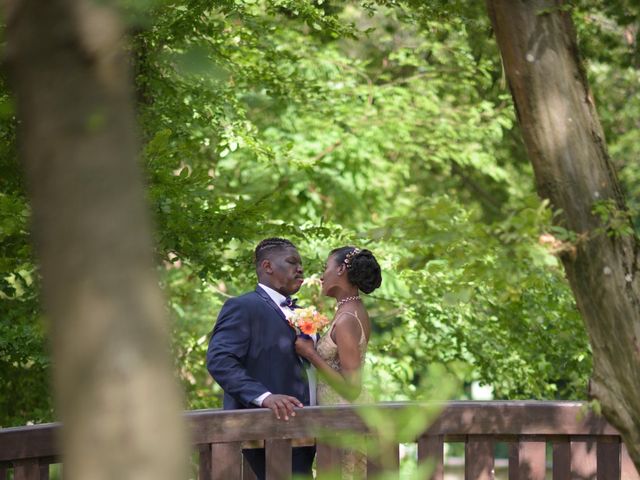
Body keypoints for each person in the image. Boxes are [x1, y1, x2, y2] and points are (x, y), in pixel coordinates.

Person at [206, 238, 315, 480]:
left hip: (304, 430)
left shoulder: (299, 312)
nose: (300, 269)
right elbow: (220, 360)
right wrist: (264, 397)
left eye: (301, 263)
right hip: (264, 431)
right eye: (291, 262)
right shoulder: (243, 307)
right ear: (267, 266)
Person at [295, 246, 382, 478]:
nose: (322, 276)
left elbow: (352, 388)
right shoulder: (349, 310)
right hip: (337, 417)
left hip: (346, 419)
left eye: (326, 268)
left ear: (342, 269)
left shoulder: (347, 319)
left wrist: (311, 354)